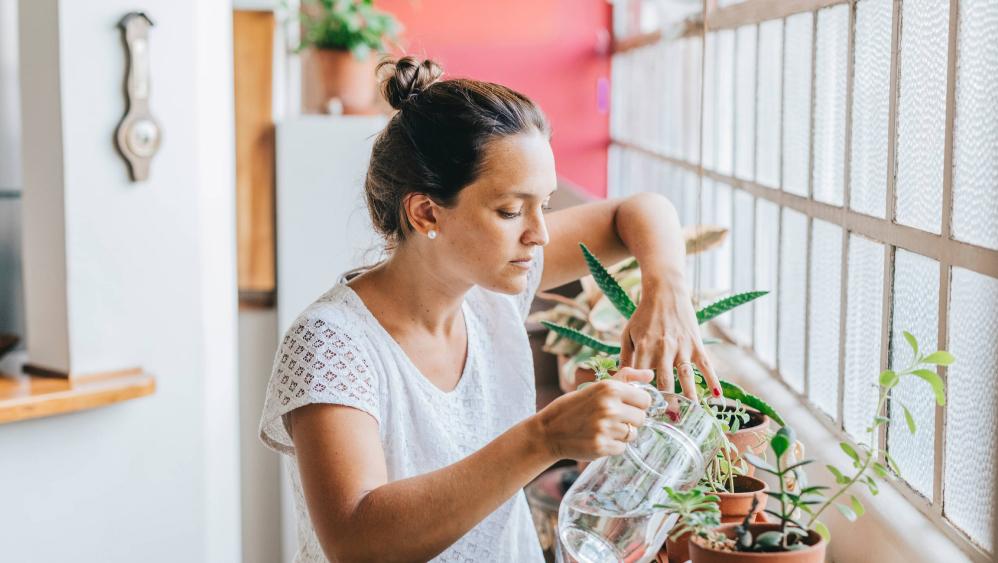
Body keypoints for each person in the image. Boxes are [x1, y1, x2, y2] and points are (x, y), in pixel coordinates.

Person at [259, 56, 722, 563]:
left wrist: (667, 288)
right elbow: (356, 540)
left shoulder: (492, 285)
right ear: (426, 212)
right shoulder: (331, 343)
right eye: (510, 211)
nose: (540, 234)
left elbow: (640, 210)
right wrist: (543, 438)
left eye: (543, 206)